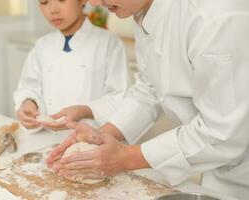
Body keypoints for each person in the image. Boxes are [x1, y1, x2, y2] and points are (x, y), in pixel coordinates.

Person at [47, 0, 249, 199]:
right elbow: (149, 89)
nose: (94, 2)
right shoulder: (142, 11)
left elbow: (223, 132)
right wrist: (99, 137)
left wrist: (126, 158)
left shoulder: (215, 16)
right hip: (218, 168)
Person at [14, 0, 129, 130]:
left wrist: (84, 111)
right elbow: (29, 86)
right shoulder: (42, 45)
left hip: (91, 140)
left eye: (62, 0)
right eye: (44, 2)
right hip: (47, 137)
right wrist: (29, 102)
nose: (53, 9)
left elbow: (118, 98)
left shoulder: (109, 43)